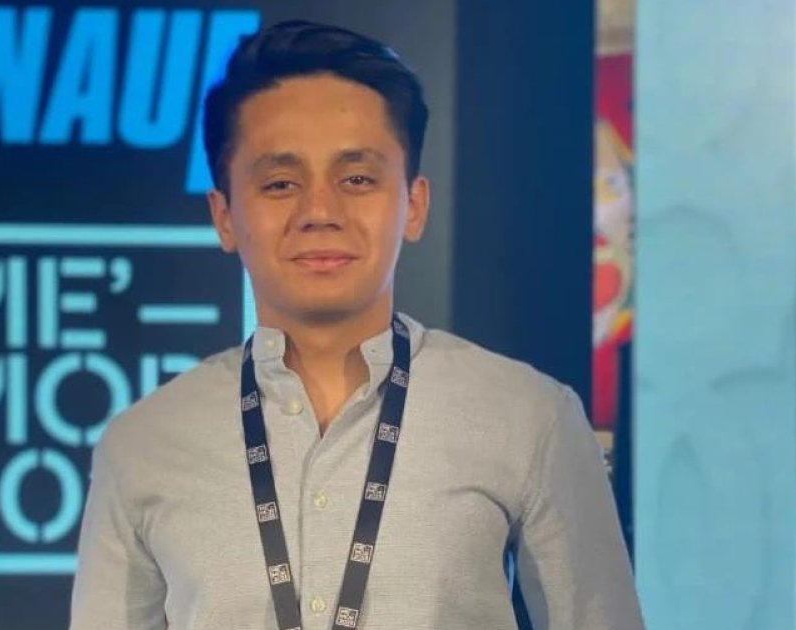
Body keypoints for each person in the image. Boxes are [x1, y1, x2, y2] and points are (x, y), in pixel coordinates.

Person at [69, 20, 646, 630]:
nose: (320, 211)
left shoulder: (530, 417)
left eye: (357, 179)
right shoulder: (143, 445)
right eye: (281, 183)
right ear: (225, 216)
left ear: (414, 205)